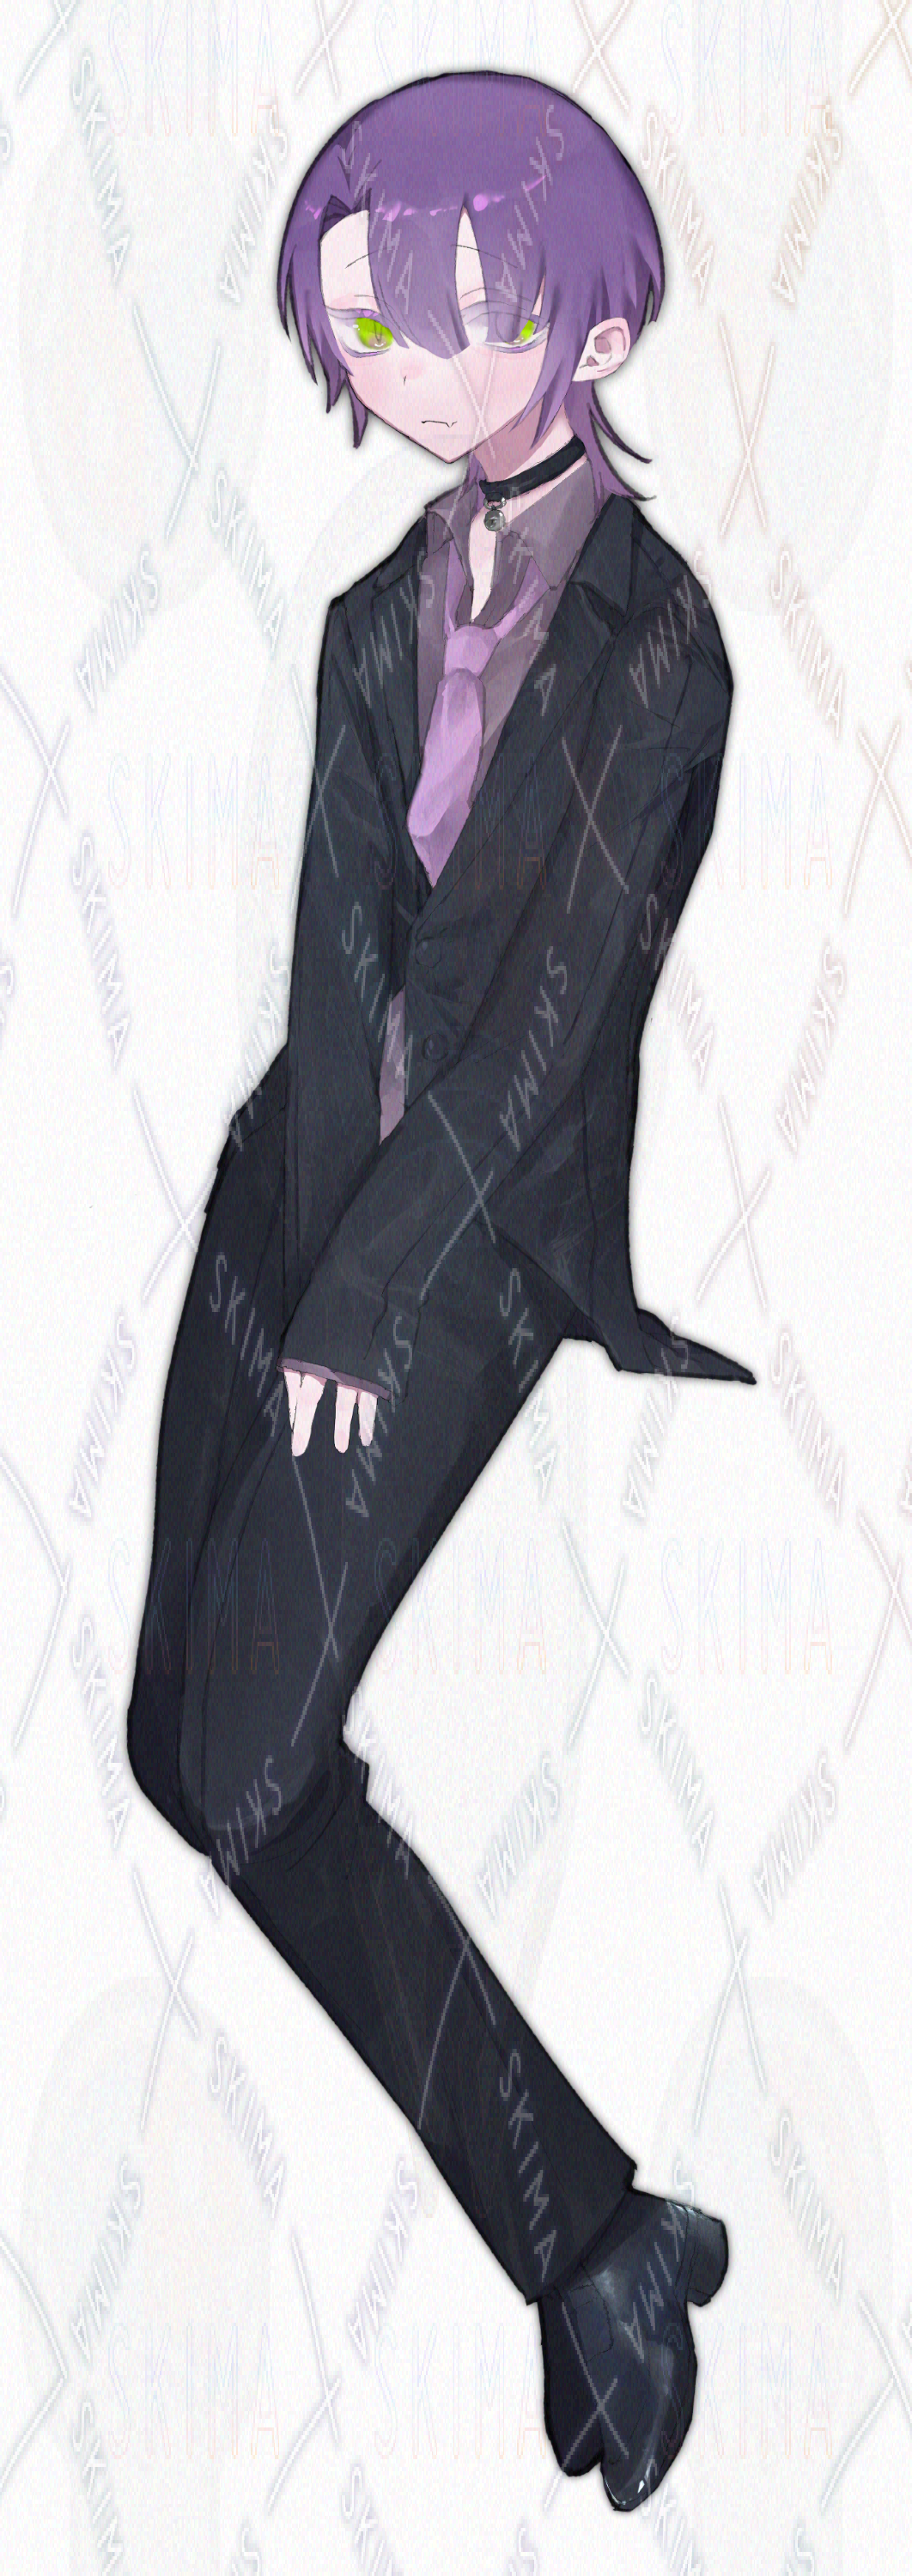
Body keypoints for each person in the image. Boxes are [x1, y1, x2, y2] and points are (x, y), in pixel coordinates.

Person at [122, 67, 757, 2518]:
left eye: (448, 314)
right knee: (180, 1757)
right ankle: (605, 2222)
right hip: (289, 1210)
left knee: (252, 1773)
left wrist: (358, 1317)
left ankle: (596, 2238)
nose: (401, 368)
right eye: (367, 324)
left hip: (466, 1254)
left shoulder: (659, 645)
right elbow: (329, 976)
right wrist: (280, 1259)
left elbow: (537, 1038)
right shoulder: (366, 619)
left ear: (588, 321)